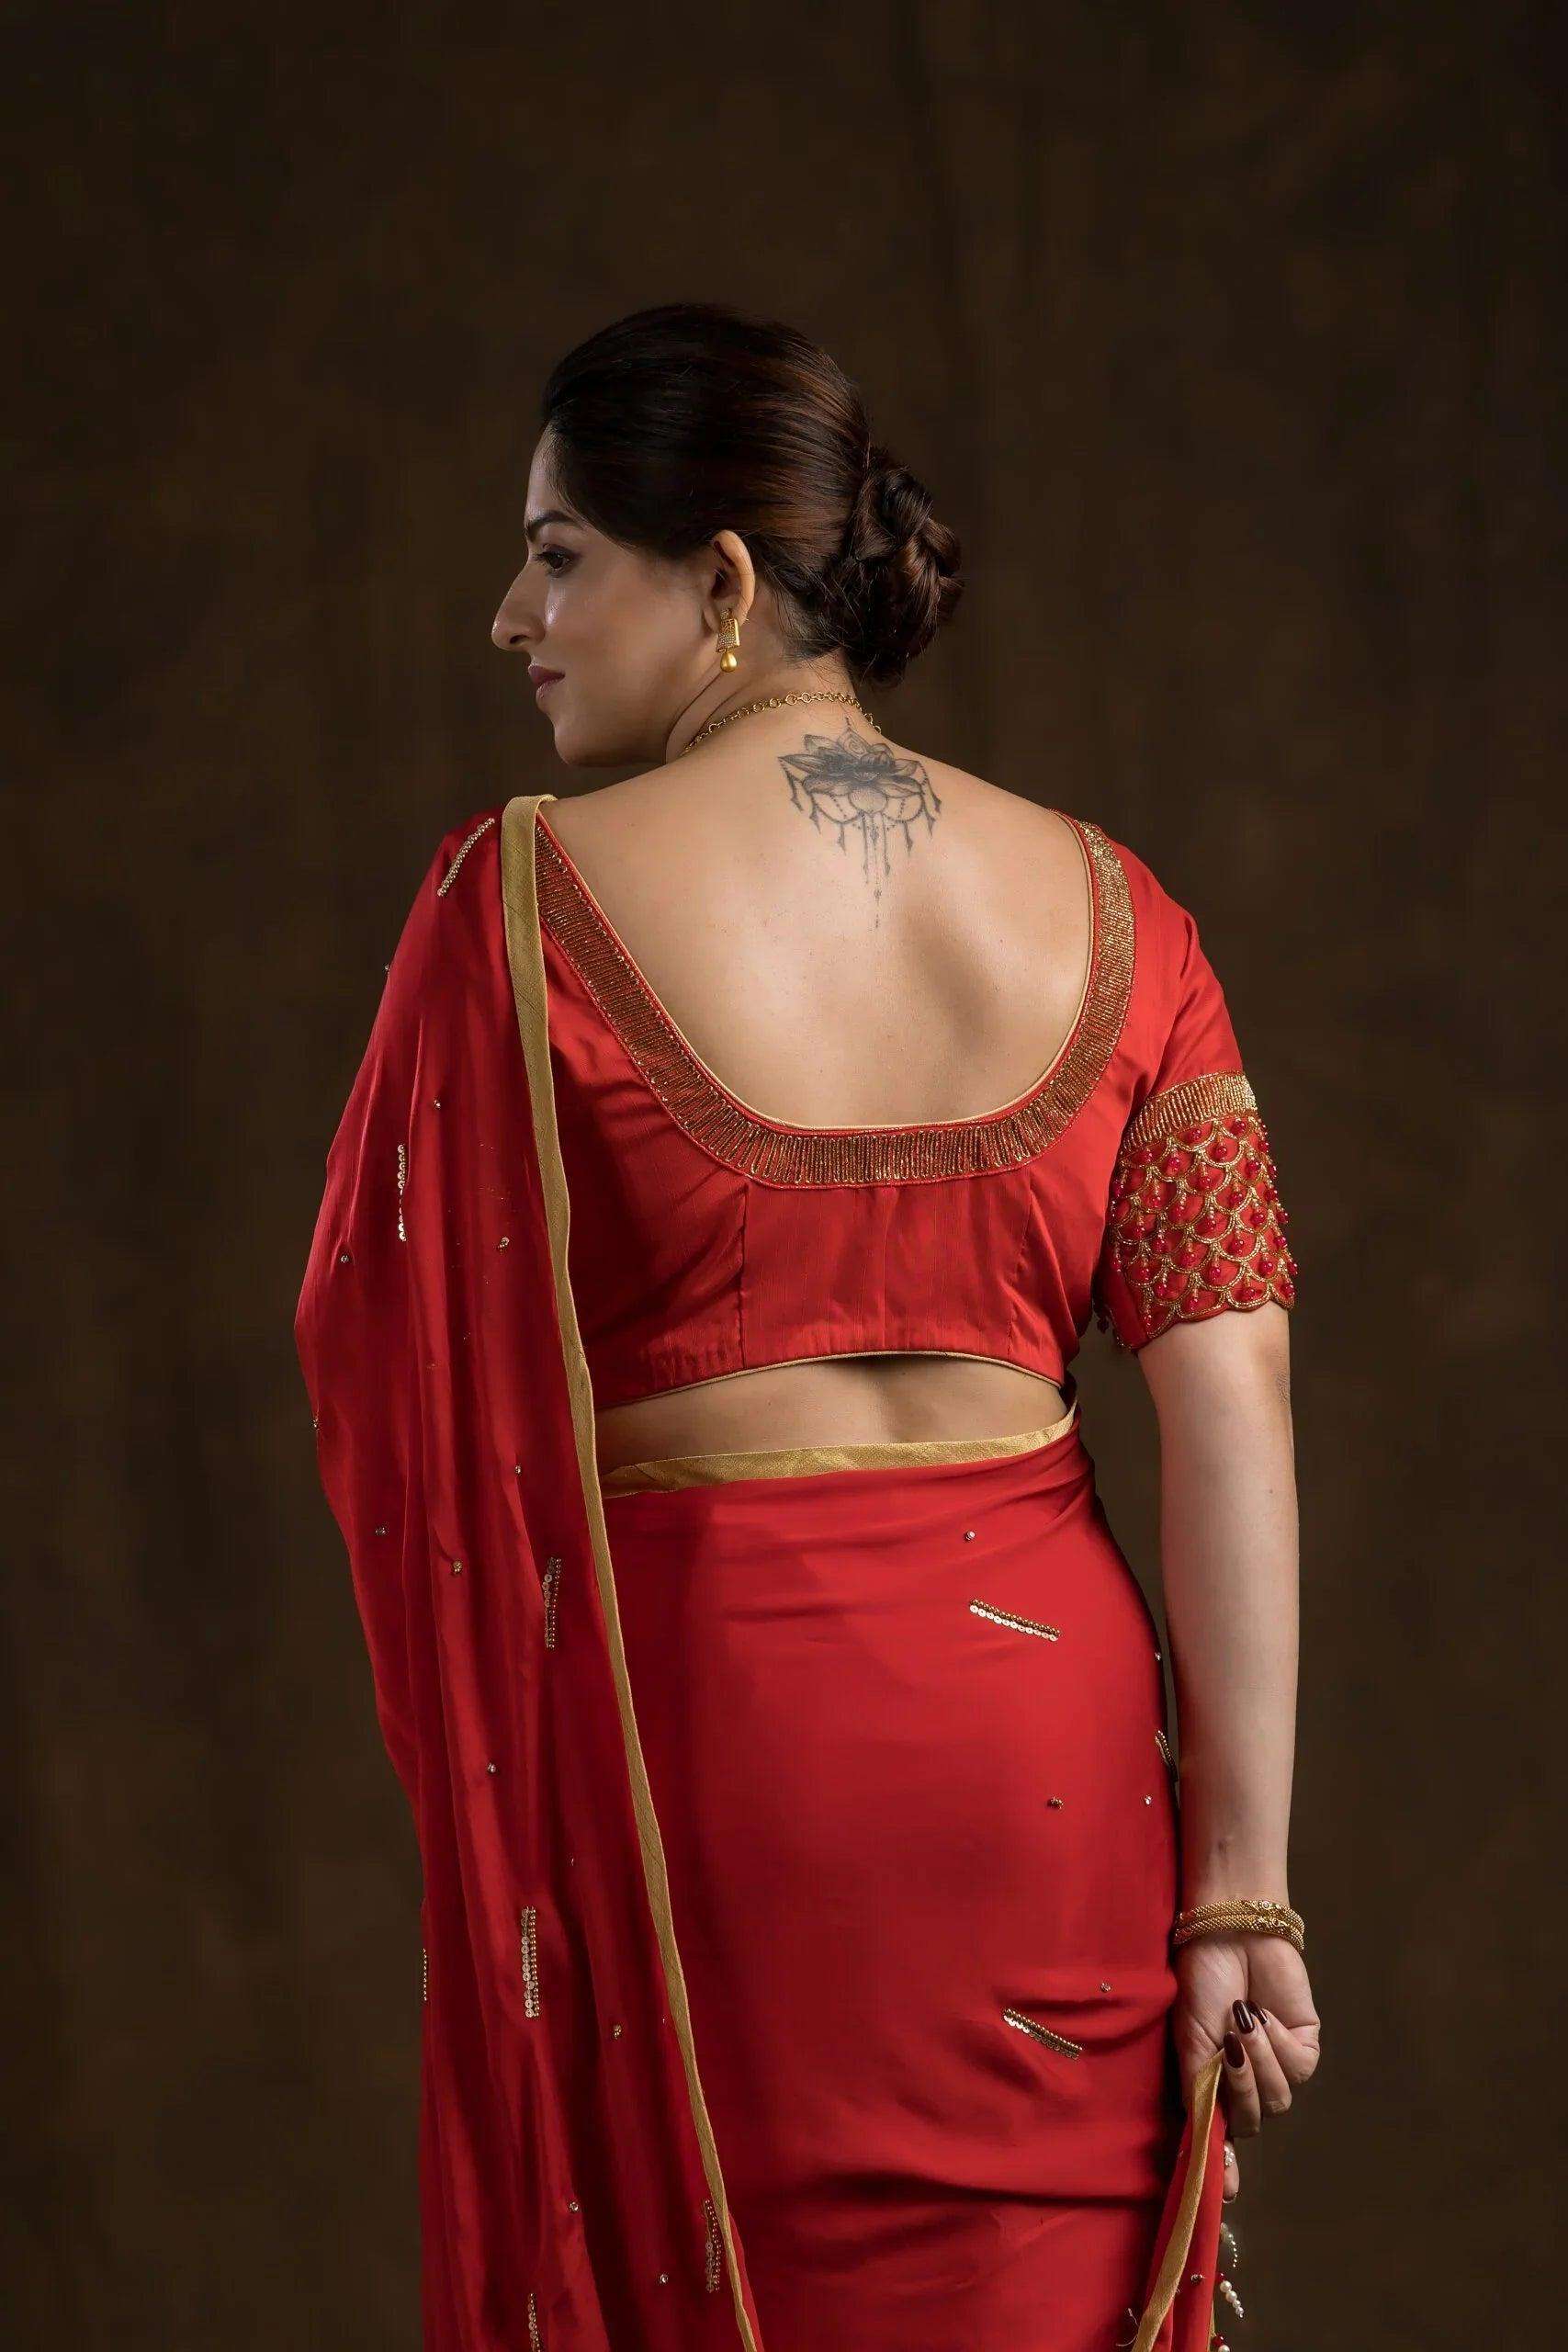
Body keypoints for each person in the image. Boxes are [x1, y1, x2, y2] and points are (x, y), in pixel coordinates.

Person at [296, 300, 1319, 2352]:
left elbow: (375, 1363)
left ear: (728, 581)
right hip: (1048, 1779)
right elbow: (1232, 1412)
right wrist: (1240, 1888)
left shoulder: (509, 903)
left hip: (717, 1763)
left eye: (561, 549)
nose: (514, 614)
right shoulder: (1121, 914)